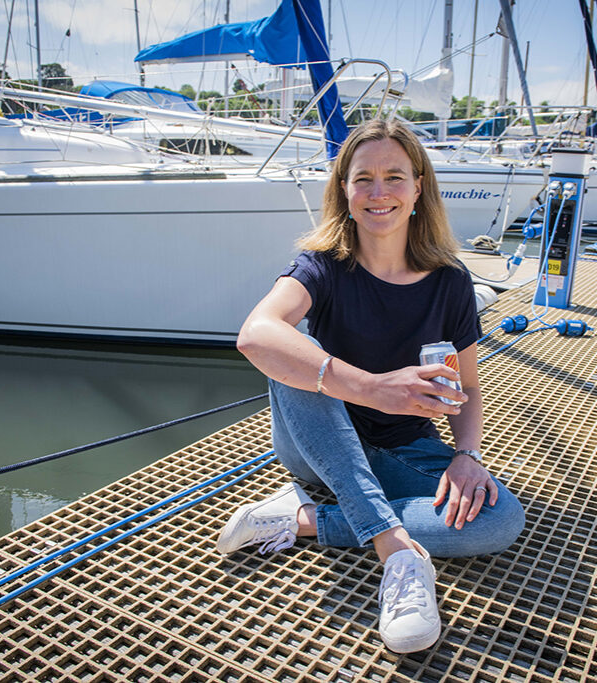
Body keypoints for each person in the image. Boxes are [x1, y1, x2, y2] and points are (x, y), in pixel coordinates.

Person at [217, 119, 525, 654]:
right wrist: (372, 388)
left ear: (418, 187)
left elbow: (468, 391)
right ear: (344, 189)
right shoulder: (323, 268)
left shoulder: (450, 281)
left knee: (499, 519)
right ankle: (398, 553)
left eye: (394, 177)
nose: (378, 192)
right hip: (319, 445)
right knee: (291, 350)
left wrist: (469, 455)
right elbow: (255, 334)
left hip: (404, 449)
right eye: (363, 178)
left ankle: (303, 519)